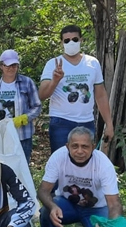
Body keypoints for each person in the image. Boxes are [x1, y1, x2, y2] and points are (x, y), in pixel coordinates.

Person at [37, 127, 123, 227]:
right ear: (67, 146)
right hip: (68, 204)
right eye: (75, 146)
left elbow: (114, 203)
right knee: (46, 211)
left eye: (85, 146)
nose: (80, 151)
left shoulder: (103, 164)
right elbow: (43, 190)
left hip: (96, 208)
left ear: (93, 147)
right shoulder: (58, 157)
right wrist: (52, 206)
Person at [38, 25, 114, 154]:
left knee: (85, 162)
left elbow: (100, 95)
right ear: (61, 42)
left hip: (86, 121)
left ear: (81, 40)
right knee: (61, 162)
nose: (71, 43)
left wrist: (109, 124)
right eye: (66, 40)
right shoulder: (53, 64)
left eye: (74, 39)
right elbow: (41, 95)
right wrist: (55, 80)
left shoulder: (92, 63)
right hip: (61, 121)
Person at [0, 49, 42, 163]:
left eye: (14, 65)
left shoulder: (27, 83)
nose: (11, 68)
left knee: (21, 171)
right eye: (8, 65)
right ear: (1, 66)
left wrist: (24, 118)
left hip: (21, 137)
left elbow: (37, 106)